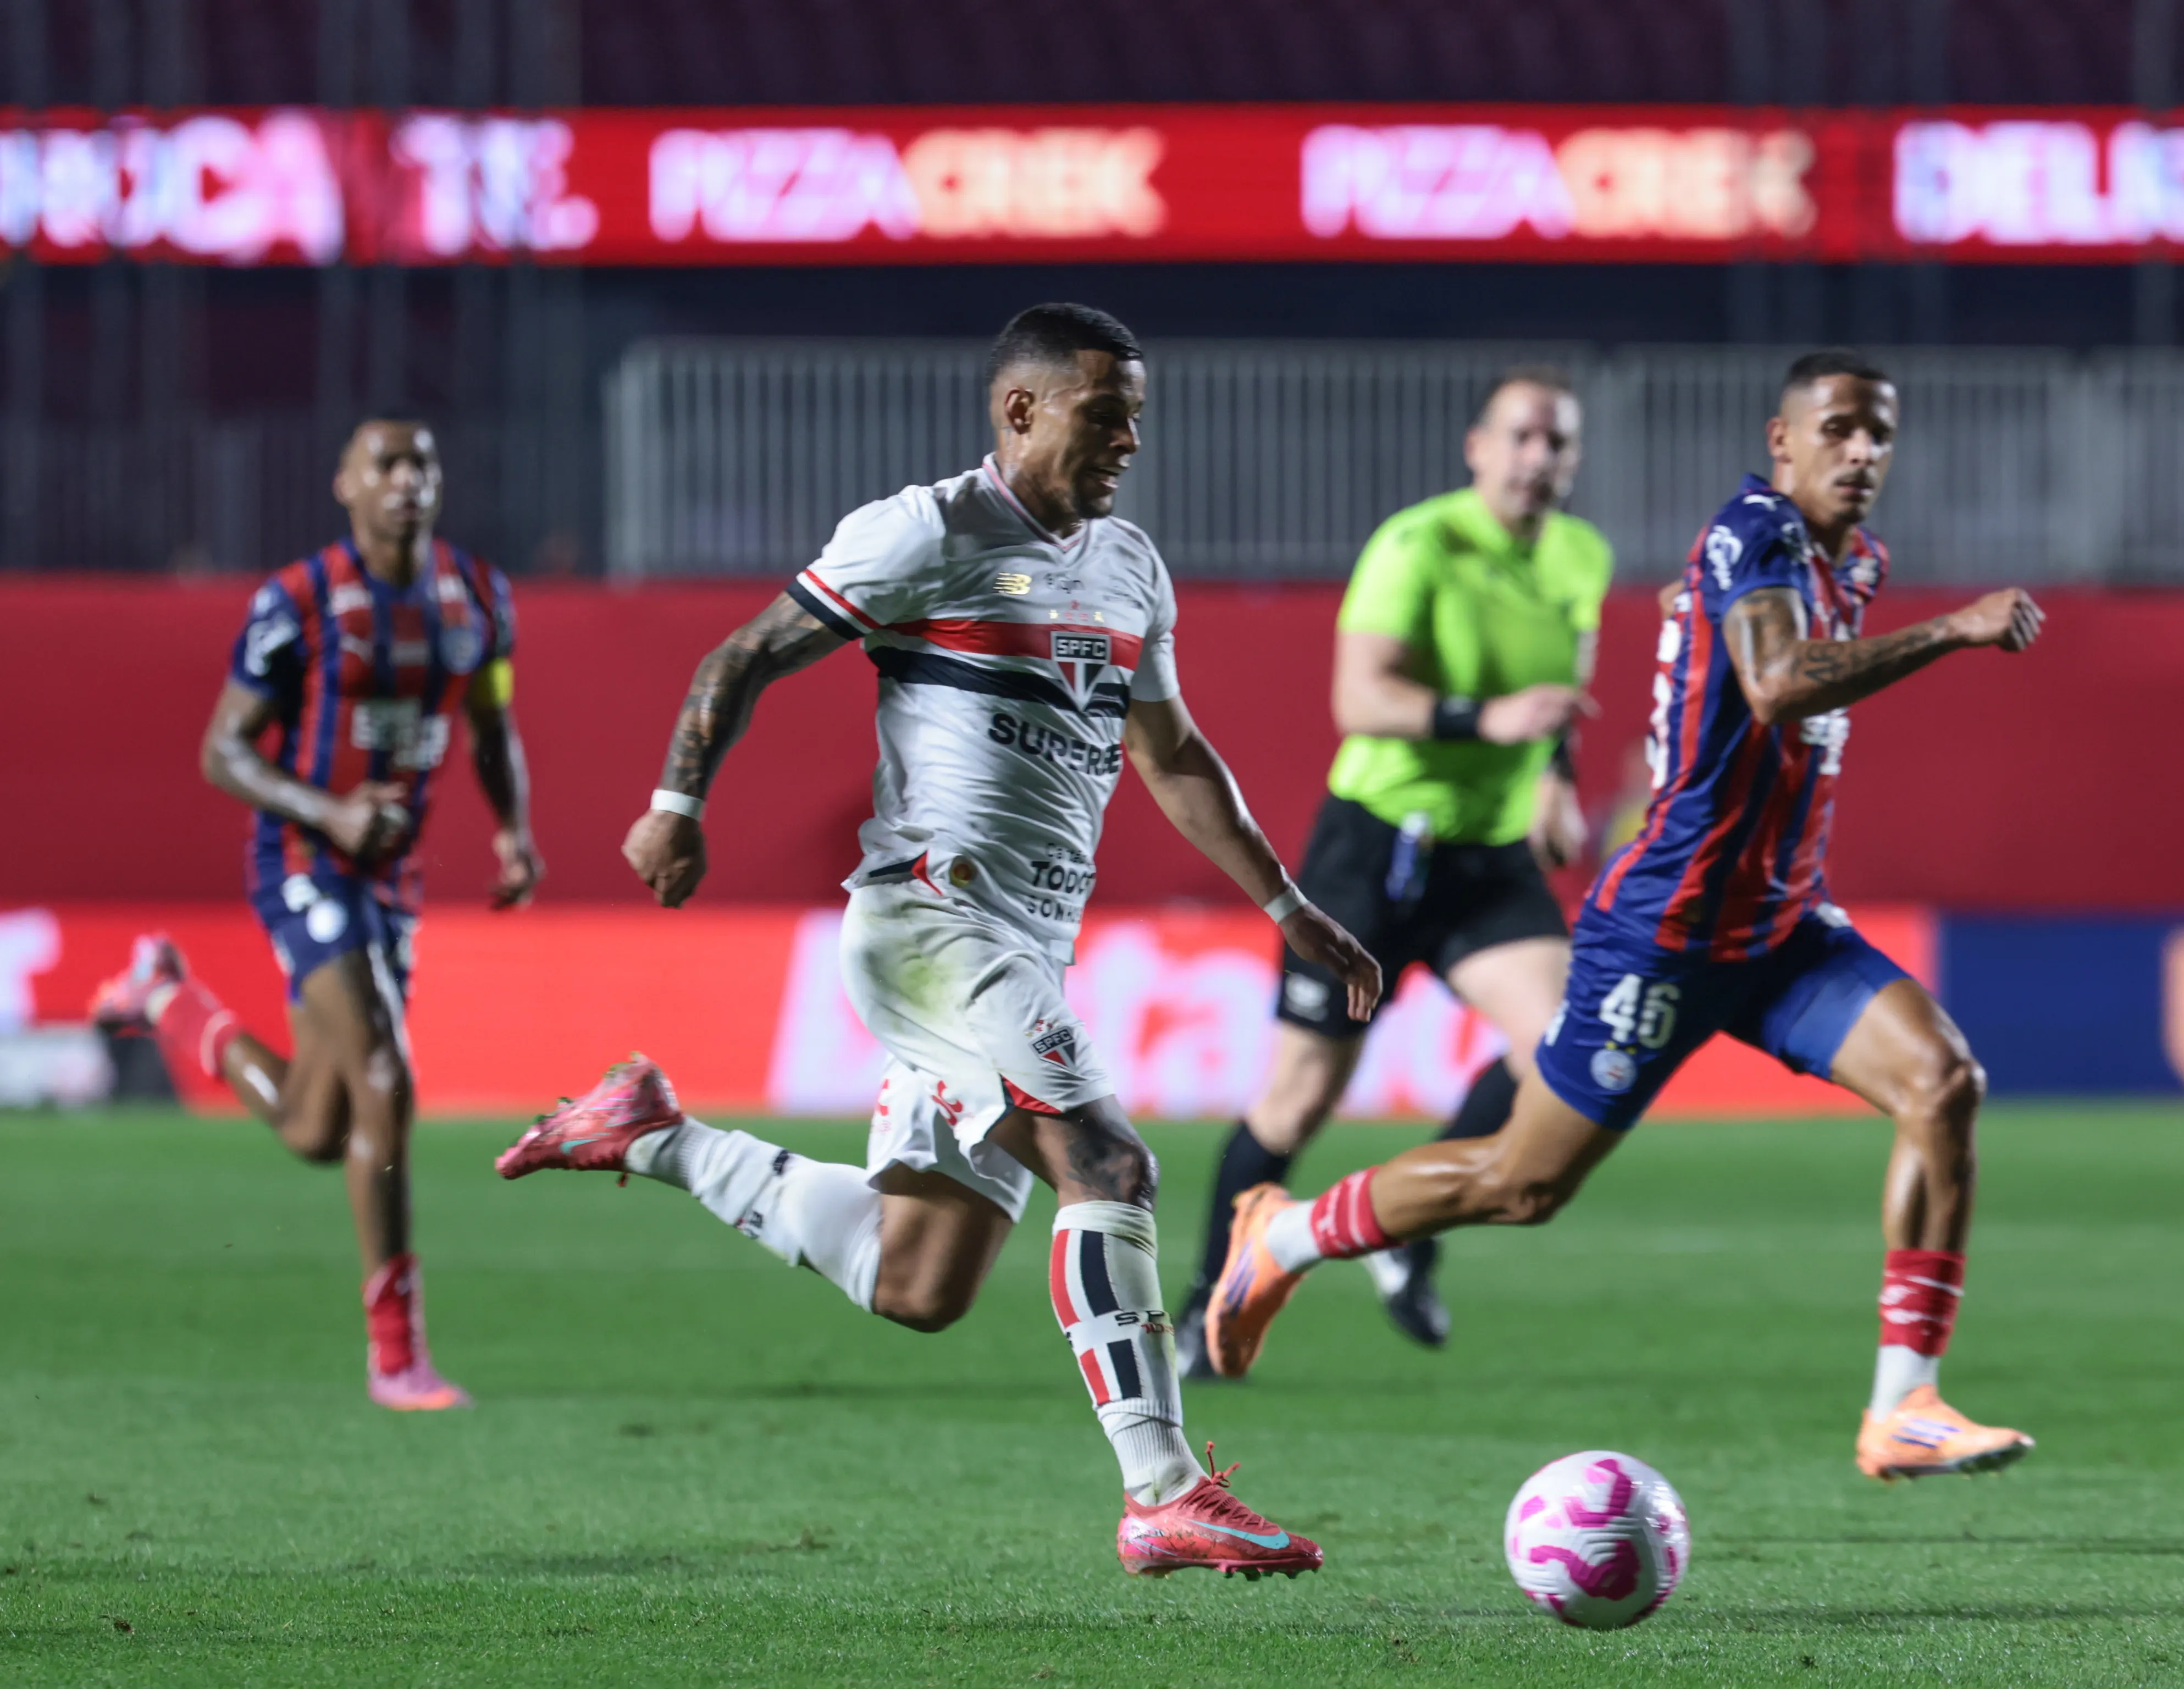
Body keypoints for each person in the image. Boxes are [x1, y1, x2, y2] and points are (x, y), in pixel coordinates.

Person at [492, 305, 1380, 1576]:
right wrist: (675, 806)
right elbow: (743, 655)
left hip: (1024, 943)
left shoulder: (1127, 564)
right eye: (1103, 410)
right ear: (1019, 410)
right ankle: (1162, 1492)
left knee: (919, 1282)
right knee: (1109, 1165)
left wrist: (1287, 904)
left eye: (1137, 411)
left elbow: (1170, 754)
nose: (1130, 435)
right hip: (931, 920)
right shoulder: (927, 531)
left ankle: (652, 1133)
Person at [1207, 349, 2050, 1484]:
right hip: (1663, 930)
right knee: (1520, 1184)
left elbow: (1712, 647)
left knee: (1941, 1083)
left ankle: (1903, 1405)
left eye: (1878, 435)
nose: (1861, 453)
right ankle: (1288, 1236)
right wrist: (1949, 632)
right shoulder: (1749, 532)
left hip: (1777, 926)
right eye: (1838, 429)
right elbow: (1777, 681)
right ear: (1781, 441)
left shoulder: (1845, 561)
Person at [91, 419, 540, 1411]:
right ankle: (397, 1355)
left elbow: (490, 720)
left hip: (393, 877)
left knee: (314, 1123)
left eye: (423, 461)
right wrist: (329, 809)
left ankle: (171, 999)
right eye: (386, 463)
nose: (407, 480)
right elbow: (223, 752)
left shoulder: (478, 599)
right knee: (387, 1079)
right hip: (304, 857)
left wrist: (512, 832)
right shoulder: (295, 604)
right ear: (345, 483)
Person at [1175, 368, 1609, 1375]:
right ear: (1478, 446)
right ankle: (1209, 1303)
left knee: (1558, 1042)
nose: (1539, 459)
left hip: (1488, 855)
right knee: (1296, 1102)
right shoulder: (1419, 544)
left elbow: (1558, 700)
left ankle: (1407, 1227)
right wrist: (1483, 721)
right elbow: (1359, 698)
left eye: (1558, 444)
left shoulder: (1582, 555)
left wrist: (1554, 778)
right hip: (1376, 847)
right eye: (1522, 438)